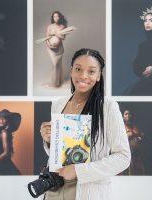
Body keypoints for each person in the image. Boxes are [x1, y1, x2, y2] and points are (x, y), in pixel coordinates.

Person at [40, 48, 131, 200]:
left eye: (91, 71)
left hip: (87, 191)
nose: (83, 76)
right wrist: (49, 141)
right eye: (78, 69)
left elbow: (123, 158)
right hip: (54, 188)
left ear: (98, 76)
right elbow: (58, 156)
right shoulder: (58, 104)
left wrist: (78, 170)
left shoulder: (108, 107)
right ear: (71, 71)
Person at [45, 11, 68, 87]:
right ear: (52, 18)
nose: (56, 18)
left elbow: (63, 37)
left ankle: (58, 81)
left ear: (60, 17)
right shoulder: (50, 26)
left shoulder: (62, 26)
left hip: (59, 49)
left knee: (58, 64)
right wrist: (49, 45)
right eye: (54, 17)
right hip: (50, 49)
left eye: (57, 16)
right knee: (54, 64)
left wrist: (56, 34)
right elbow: (46, 38)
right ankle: (54, 83)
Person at [120, 109, 145, 175]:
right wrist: (132, 134)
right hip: (127, 155)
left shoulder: (134, 127)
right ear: (123, 117)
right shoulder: (121, 127)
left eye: (129, 114)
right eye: (126, 114)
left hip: (136, 156)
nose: (128, 115)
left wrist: (135, 135)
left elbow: (141, 135)